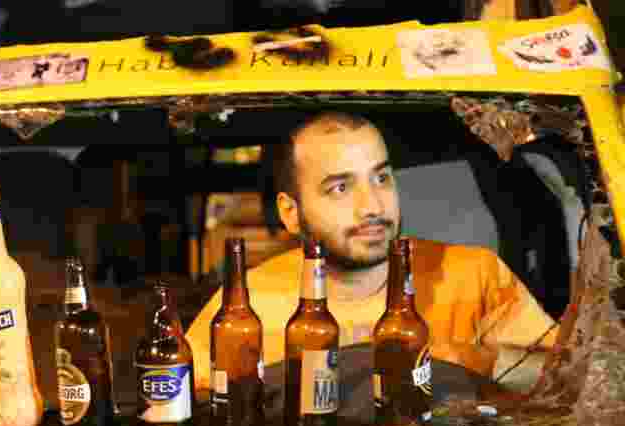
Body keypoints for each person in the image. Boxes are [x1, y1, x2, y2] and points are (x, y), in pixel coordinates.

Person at [185, 111, 559, 395]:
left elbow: (567, 378)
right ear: (290, 213)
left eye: (381, 178)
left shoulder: (473, 274)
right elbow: (184, 403)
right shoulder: (245, 308)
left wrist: (468, 360)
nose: (372, 206)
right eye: (339, 188)